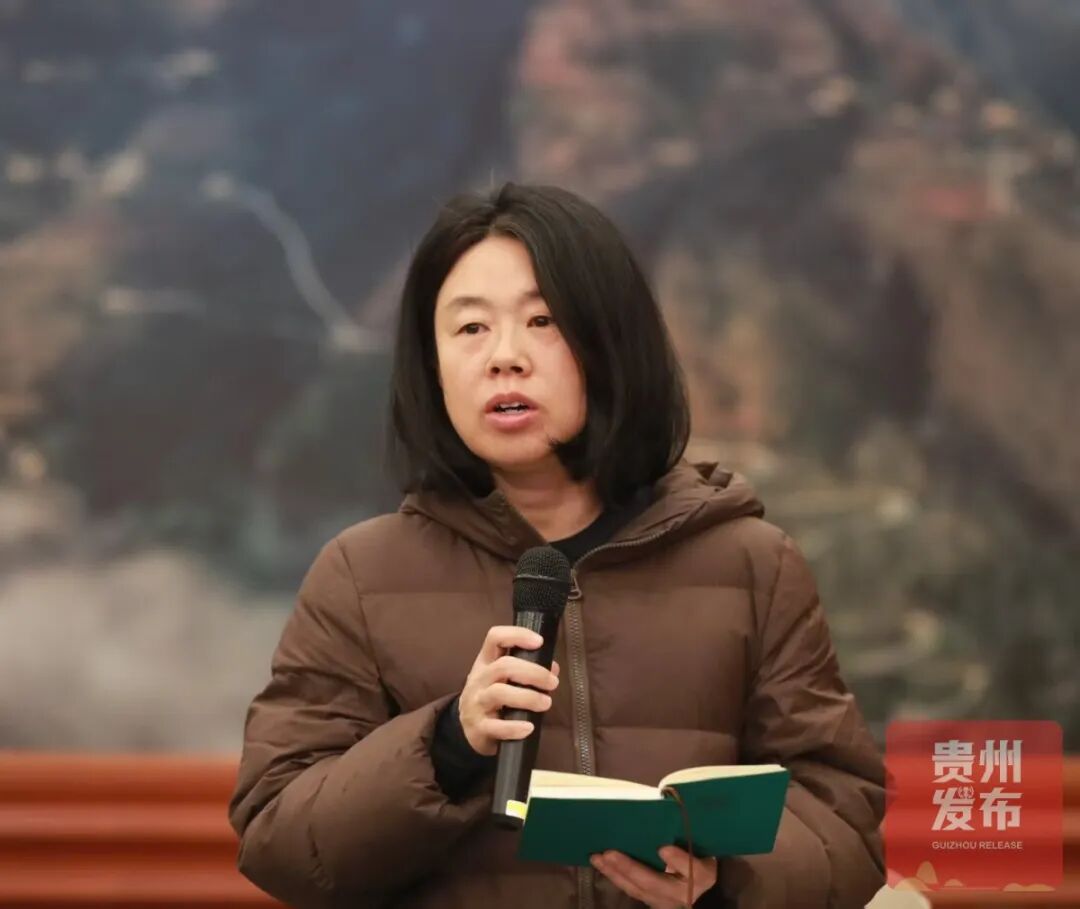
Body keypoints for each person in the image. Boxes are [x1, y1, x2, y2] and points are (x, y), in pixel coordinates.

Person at [228, 182, 886, 909]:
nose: (504, 357)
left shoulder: (750, 565)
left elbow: (844, 827)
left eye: (542, 321)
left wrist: (724, 879)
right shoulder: (360, 575)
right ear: (432, 366)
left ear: (611, 345)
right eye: (470, 328)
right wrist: (447, 744)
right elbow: (280, 840)